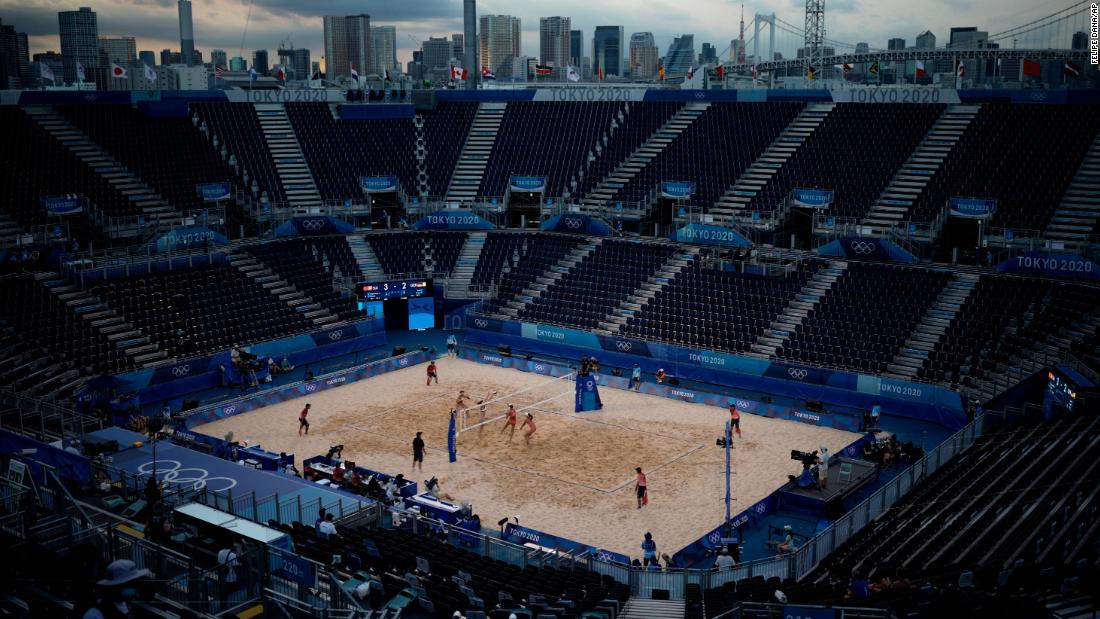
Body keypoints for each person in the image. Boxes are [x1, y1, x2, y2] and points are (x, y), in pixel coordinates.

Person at [79, 559, 151, 619]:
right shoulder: (95, 614)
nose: (135, 587)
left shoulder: (129, 606)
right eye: (131, 583)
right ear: (116, 586)